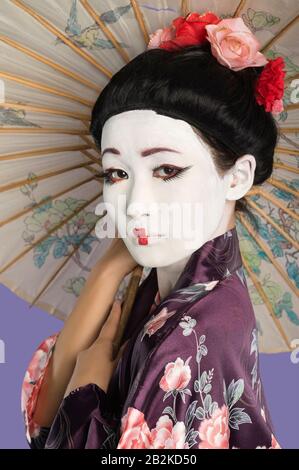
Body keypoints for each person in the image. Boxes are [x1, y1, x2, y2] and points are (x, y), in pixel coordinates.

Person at [21, 16, 284, 449]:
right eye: (117, 172)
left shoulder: (195, 332)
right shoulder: (166, 287)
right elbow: (45, 421)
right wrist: (108, 271)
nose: (136, 203)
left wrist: (86, 390)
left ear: (236, 178)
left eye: (166, 169)